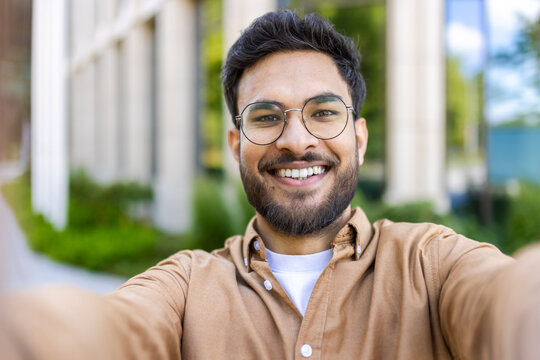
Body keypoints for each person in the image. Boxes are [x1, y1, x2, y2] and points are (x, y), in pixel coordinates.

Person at [1, 10, 540, 360]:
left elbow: (504, 299)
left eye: (323, 112)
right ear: (237, 146)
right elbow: (104, 332)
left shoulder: (432, 263)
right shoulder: (186, 288)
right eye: (265, 116)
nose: (296, 140)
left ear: (359, 136)